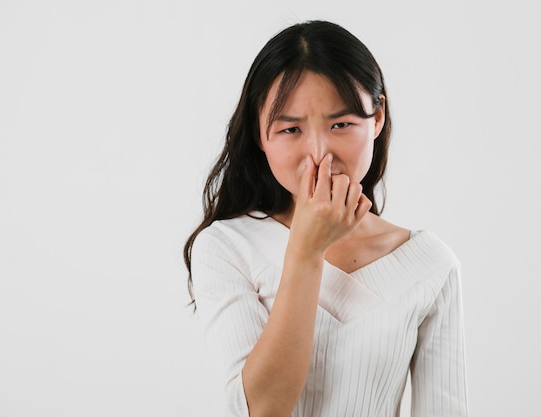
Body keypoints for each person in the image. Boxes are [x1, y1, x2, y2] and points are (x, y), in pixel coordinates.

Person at [184, 20, 468, 417]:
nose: (319, 153)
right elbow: (261, 410)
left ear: (377, 117)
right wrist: (306, 250)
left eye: (340, 124)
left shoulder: (429, 263)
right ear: (259, 133)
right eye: (291, 129)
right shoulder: (225, 247)